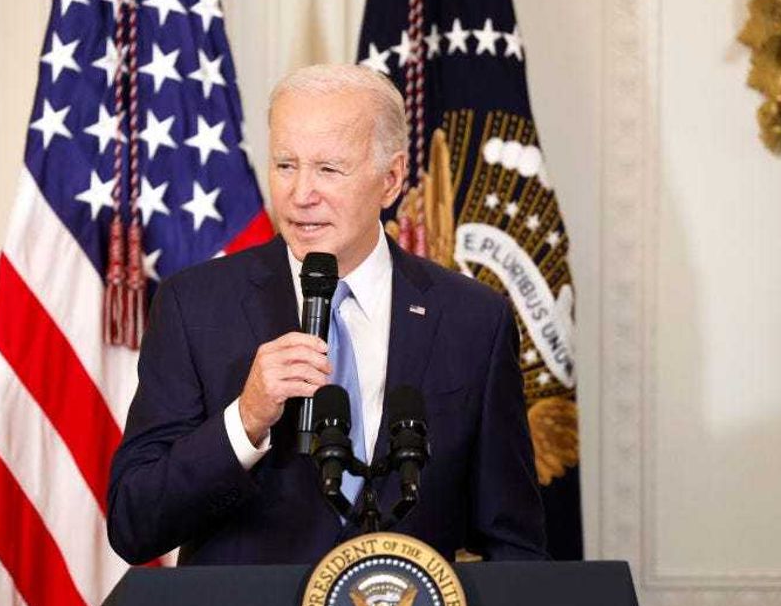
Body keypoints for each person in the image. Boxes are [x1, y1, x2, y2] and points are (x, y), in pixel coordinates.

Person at [107, 64, 546, 566]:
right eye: (286, 165)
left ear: (392, 179)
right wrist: (245, 420)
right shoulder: (195, 305)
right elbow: (133, 523)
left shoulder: (474, 320)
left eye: (328, 169)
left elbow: (514, 545)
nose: (300, 194)